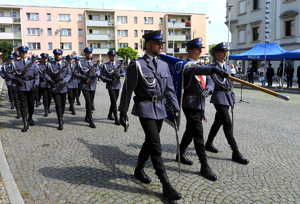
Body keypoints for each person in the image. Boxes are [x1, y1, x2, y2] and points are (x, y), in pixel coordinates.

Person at [118, 30, 182, 201]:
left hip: (160, 108)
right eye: (158, 43)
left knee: (149, 141)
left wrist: (175, 109)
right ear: (148, 44)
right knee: (155, 145)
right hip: (145, 108)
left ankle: (139, 170)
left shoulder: (163, 65)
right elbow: (127, 89)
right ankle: (166, 185)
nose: (161, 46)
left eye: (162, 43)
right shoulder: (136, 64)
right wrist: (122, 111)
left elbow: (169, 89)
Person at [175, 38, 228, 181]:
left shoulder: (200, 65)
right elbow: (196, 70)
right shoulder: (185, 65)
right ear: (190, 50)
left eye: (201, 49)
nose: (200, 51)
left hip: (200, 103)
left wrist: (209, 90)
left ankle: (180, 153)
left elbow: (210, 80)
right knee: (198, 134)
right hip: (190, 103)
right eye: (197, 49)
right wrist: (212, 68)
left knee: (190, 131)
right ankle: (204, 166)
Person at [205, 42, 249, 165]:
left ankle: (208, 143)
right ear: (216, 54)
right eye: (222, 52)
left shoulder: (228, 67)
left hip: (227, 96)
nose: (225, 54)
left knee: (218, 121)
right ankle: (235, 152)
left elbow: (230, 83)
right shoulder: (212, 68)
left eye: (226, 52)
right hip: (218, 97)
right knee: (227, 123)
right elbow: (213, 82)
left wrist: (232, 94)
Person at [7, 46, 39, 132]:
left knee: (31, 104)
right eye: (22, 52)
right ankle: (25, 123)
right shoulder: (14, 63)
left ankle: (30, 118)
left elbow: (37, 75)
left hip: (31, 86)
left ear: (27, 53)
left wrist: (36, 84)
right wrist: (16, 79)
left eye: (25, 52)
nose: (24, 54)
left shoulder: (32, 63)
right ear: (20, 53)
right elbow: (9, 74)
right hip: (21, 86)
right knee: (23, 105)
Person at [44, 49, 71, 130]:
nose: (58, 56)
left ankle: (61, 116)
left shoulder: (66, 64)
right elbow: (45, 73)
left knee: (63, 104)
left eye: (59, 54)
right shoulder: (50, 64)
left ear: (61, 55)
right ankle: (60, 120)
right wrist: (50, 80)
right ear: (54, 55)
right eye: (56, 54)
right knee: (58, 104)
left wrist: (65, 81)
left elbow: (69, 74)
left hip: (63, 86)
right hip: (55, 86)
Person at [77, 47, 101, 128]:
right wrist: (82, 77)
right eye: (87, 53)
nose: (89, 54)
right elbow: (75, 73)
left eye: (90, 53)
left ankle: (87, 116)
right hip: (84, 85)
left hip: (93, 85)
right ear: (85, 54)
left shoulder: (95, 63)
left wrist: (95, 74)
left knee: (91, 101)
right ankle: (91, 120)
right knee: (88, 102)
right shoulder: (80, 63)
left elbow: (98, 71)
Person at [100, 50, 126, 125]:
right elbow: (101, 75)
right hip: (110, 85)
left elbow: (124, 72)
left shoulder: (119, 65)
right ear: (109, 56)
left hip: (117, 85)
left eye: (114, 56)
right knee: (114, 101)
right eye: (112, 55)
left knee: (114, 100)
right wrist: (106, 79)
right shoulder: (105, 65)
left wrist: (120, 75)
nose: (113, 57)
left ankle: (109, 114)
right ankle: (116, 118)